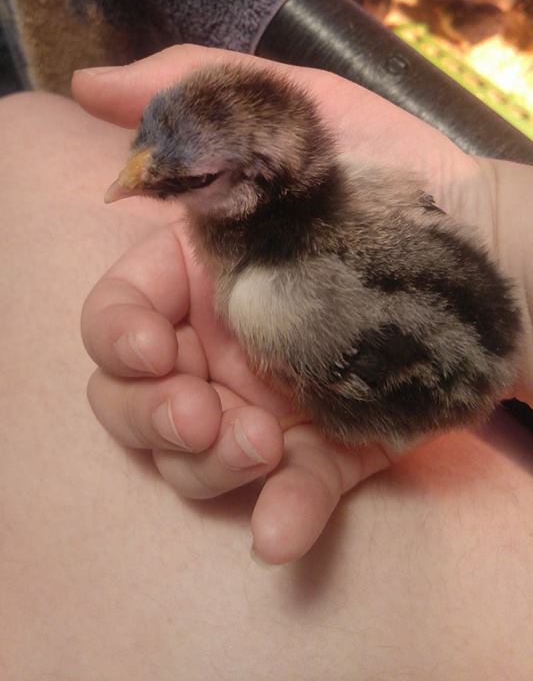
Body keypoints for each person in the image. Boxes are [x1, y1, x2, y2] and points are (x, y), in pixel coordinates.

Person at [1, 44, 532, 679]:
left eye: (194, 180)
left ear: (261, 182)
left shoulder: (276, 301)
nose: (132, 183)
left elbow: (448, 357)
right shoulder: (369, 179)